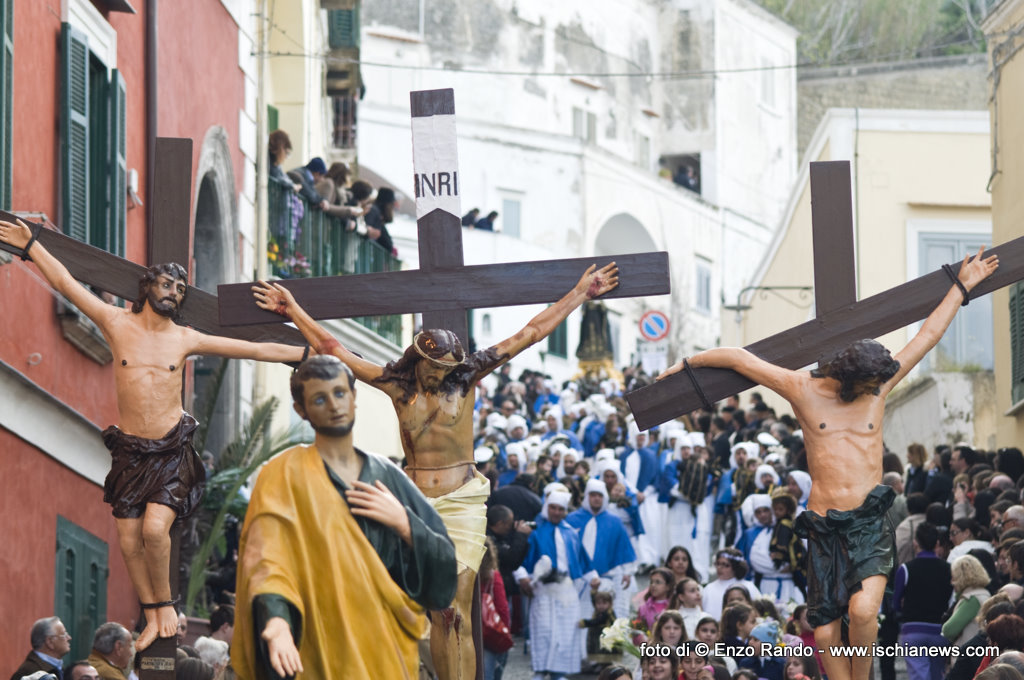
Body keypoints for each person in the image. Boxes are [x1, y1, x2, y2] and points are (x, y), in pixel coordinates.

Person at [251, 261, 618, 680]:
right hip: (414, 502)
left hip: (462, 501)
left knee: (452, 610)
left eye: (448, 369)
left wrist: (579, 294)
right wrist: (292, 309)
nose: (442, 376)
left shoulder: (466, 377)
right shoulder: (397, 385)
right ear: (419, 359)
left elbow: (530, 333)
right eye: (435, 369)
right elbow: (334, 350)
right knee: (407, 604)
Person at [659, 246, 999, 680]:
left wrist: (961, 287)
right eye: (869, 385)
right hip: (822, 523)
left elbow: (926, 336)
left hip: (868, 521)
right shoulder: (802, 389)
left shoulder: (878, 388)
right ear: (847, 379)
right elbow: (741, 359)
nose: (877, 389)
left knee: (863, 611)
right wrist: (686, 364)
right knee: (822, 635)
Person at [0, 218, 308, 650]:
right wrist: (32, 244)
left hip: (169, 450)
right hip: (129, 449)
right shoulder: (115, 322)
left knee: (153, 531)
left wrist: (309, 351)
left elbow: (255, 349)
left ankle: (167, 605)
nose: (173, 293)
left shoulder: (184, 338)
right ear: (147, 288)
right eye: (166, 285)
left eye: (179, 290)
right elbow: (68, 285)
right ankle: (150, 612)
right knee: (127, 537)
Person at [233, 356, 456, 679]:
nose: (334, 405)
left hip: (384, 645)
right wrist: (277, 621)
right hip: (317, 641)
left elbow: (445, 566)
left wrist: (405, 524)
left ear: (353, 397)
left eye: (340, 393)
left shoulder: (387, 476)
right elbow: (267, 561)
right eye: (319, 399)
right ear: (302, 410)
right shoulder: (282, 475)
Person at [515, 489, 599, 680]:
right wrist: (522, 577)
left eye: (560, 509)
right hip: (543, 591)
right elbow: (521, 560)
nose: (556, 512)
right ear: (547, 507)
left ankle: (559, 673)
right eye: (552, 507)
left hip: (566, 591)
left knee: (566, 632)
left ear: (565, 511)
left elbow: (582, 560)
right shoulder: (535, 532)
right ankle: (540, 670)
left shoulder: (571, 533)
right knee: (543, 631)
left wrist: (592, 577)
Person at [567, 478, 638, 621]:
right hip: (580, 578)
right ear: (587, 496)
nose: (596, 499)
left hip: (606, 577)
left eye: (600, 495)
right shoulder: (572, 519)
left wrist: (627, 572)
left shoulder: (614, 521)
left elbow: (624, 548)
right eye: (593, 495)